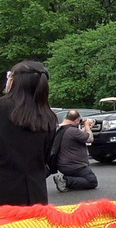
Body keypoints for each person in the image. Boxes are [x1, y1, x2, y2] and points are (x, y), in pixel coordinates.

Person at [0, 61, 58, 206]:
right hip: (36, 193)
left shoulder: (2, 108)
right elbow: (46, 157)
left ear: (16, 81)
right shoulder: (47, 115)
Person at [52, 110, 98, 192]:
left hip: (63, 164)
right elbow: (90, 139)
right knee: (92, 181)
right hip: (75, 166)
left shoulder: (60, 129)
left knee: (86, 179)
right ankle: (65, 181)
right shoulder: (72, 131)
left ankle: (66, 180)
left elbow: (76, 135)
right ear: (76, 120)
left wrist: (86, 128)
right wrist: (87, 127)